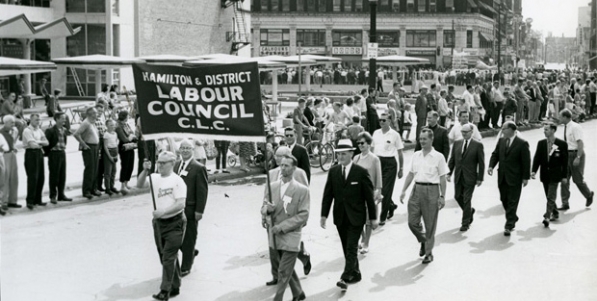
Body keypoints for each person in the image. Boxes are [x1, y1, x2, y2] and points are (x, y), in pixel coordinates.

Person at [321, 139, 377, 291]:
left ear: (352, 154)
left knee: (352, 247)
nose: (340, 157)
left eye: (344, 154)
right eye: (338, 154)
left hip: (356, 217)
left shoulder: (361, 173)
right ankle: (356, 273)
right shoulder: (333, 172)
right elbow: (328, 195)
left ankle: (344, 278)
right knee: (347, 247)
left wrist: (373, 218)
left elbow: (369, 198)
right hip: (340, 217)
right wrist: (323, 215)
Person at [137, 152, 187, 301]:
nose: (159, 165)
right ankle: (175, 285)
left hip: (175, 222)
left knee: (168, 256)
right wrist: (145, 170)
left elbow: (180, 203)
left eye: (163, 163)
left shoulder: (177, 181)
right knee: (164, 255)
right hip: (159, 223)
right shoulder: (154, 178)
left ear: (172, 163)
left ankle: (165, 291)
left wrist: (163, 211)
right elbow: (139, 185)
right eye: (158, 162)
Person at [261, 155, 310, 301]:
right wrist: (266, 210)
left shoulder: (302, 190)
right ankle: (298, 293)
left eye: (286, 166)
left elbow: (303, 215)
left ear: (294, 168)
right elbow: (263, 208)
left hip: (291, 236)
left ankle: (278, 298)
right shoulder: (272, 186)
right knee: (287, 267)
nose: (282, 168)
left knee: (282, 269)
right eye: (281, 165)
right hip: (275, 237)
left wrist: (282, 227)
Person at [399, 128, 448, 264]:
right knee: (412, 222)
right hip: (416, 189)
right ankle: (424, 240)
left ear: (431, 139)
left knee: (430, 224)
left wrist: (443, 196)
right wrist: (403, 190)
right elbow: (410, 174)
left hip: (431, 191)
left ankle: (428, 253)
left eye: (424, 139)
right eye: (420, 139)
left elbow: (443, 179)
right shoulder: (416, 155)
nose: (421, 141)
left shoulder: (439, 157)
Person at [172, 139, 209, 277]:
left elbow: (202, 191)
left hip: (190, 208)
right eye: (183, 148)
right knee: (176, 236)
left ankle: (186, 265)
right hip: (176, 208)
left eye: (188, 148)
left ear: (193, 150)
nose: (185, 150)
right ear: (179, 150)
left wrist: (199, 210)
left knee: (189, 237)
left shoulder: (198, 168)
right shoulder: (176, 166)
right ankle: (191, 251)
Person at [488, 121, 531, 236]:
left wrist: (525, 177)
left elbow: (526, 162)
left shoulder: (522, 143)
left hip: (515, 177)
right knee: (504, 199)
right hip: (502, 176)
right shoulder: (501, 141)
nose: (502, 130)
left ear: (512, 129)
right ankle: (513, 217)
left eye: (504, 128)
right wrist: (491, 166)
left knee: (512, 201)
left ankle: (509, 224)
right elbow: (495, 154)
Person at [447, 124, 485, 231]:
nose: (464, 134)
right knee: (457, 196)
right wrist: (449, 173)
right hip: (459, 175)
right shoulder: (457, 143)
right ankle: (469, 211)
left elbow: (481, 163)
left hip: (470, 176)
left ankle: (465, 223)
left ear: (471, 132)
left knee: (467, 198)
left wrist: (480, 178)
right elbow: (452, 159)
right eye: (462, 132)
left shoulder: (477, 145)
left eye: (466, 132)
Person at [531, 122, 568, 227]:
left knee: (551, 195)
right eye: (544, 129)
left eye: (546, 129)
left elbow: (565, 162)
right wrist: (533, 171)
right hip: (544, 174)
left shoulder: (561, 144)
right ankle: (555, 212)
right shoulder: (541, 143)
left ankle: (547, 216)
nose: (544, 131)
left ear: (553, 130)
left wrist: (564, 176)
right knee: (549, 195)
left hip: (555, 175)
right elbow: (537, 158)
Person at [352, 132, 382, 254]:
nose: (360, 145)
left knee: (369, 219)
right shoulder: (356, 158)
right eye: (358, 143)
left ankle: (366, 243)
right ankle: (363, 238)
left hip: (370, 192)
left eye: (362, 143)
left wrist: (378, 191)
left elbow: (378, 177)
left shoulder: (374, 159)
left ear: (369, 144)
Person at [372, 113, 404, 225]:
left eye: (384, 120)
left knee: (385, 190)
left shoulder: (395, 135)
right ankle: (391, 206)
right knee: (377, 188)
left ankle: (382, 217)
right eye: (380, 120)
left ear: (389, 122)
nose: (381, 122)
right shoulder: (376, 133)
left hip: (390, 163)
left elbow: (400, 152)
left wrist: (401, 168)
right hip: (377, 162)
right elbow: (372, 149)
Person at [558, 109, 594, 210]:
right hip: (567, 155)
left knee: (578, 180)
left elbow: (580, 143)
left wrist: (578, 157)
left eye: (560, 116)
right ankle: (565, 203)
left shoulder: (575, 127)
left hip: (576, 154)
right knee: (564, 179)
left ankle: (588, 195)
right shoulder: (565, 127)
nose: (559, 118)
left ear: (565, 117)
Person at [44, 112, 72, 204]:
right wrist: (49, 153)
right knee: (54, 175)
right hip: (54, 153)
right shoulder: (50, 130)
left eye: (65, 118)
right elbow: (46, 144)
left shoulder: (64, 129)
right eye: (63, 118)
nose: (64, 120)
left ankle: (61, 194)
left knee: (62, 175)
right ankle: (53, 195)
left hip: (62, 153)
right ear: (57, 119)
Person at [22, 114, 49, 209]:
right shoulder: (27, 130)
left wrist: (37, 142)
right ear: (31, 120)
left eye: (39, 120)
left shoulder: (39, 130)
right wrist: (39, 142)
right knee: (32, 178)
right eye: (36, 120)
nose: (38, 122)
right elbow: (32, 145)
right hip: (31, 153)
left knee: (41, 177)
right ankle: (30, 200)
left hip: (39, 153)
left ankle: (38, 199)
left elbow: (47, 142)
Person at [73, 107, 101, 199]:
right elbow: (76, 134)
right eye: (95, 113)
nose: (97, 114)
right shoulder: (86, 123)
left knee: (95, 169)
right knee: (90, 169)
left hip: (95, 147)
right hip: (89, 147)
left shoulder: (92, 123)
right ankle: (87, 190)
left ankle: (94, 188)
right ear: (91, 114)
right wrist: (83, 144)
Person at [115, 110, 137, 195]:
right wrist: (131, 136)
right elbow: (124, 139)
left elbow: (132, 133)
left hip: (130, 146)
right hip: (124, 147)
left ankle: (127, 182)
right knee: (125, 165)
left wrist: (131, 136)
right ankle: (122, 184)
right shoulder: (118, 127)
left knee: (130, 165)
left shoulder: (126, 124)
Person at [102, 119, 120, 196]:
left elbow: (116, 144)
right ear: (107, 126)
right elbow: (105, 146)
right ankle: (107, 188)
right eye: (110, 125)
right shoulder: (106, 134)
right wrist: (109, 156)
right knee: (108, 172)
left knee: (114, 170)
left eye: (113, 125)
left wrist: (117, 154)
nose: (112, 126)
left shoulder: (115, 134)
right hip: (109, 152)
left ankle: (112, 186)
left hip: (115, 151)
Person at [95, 104, 108, 192]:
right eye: (98, 111)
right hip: (97, 143)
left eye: (101, 111)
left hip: (103, 142)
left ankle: (99, 185)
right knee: (98, 165)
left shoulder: (101, 119)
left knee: (102, 165)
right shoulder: (93, 121)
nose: (100, 113)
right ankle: (96, 185)